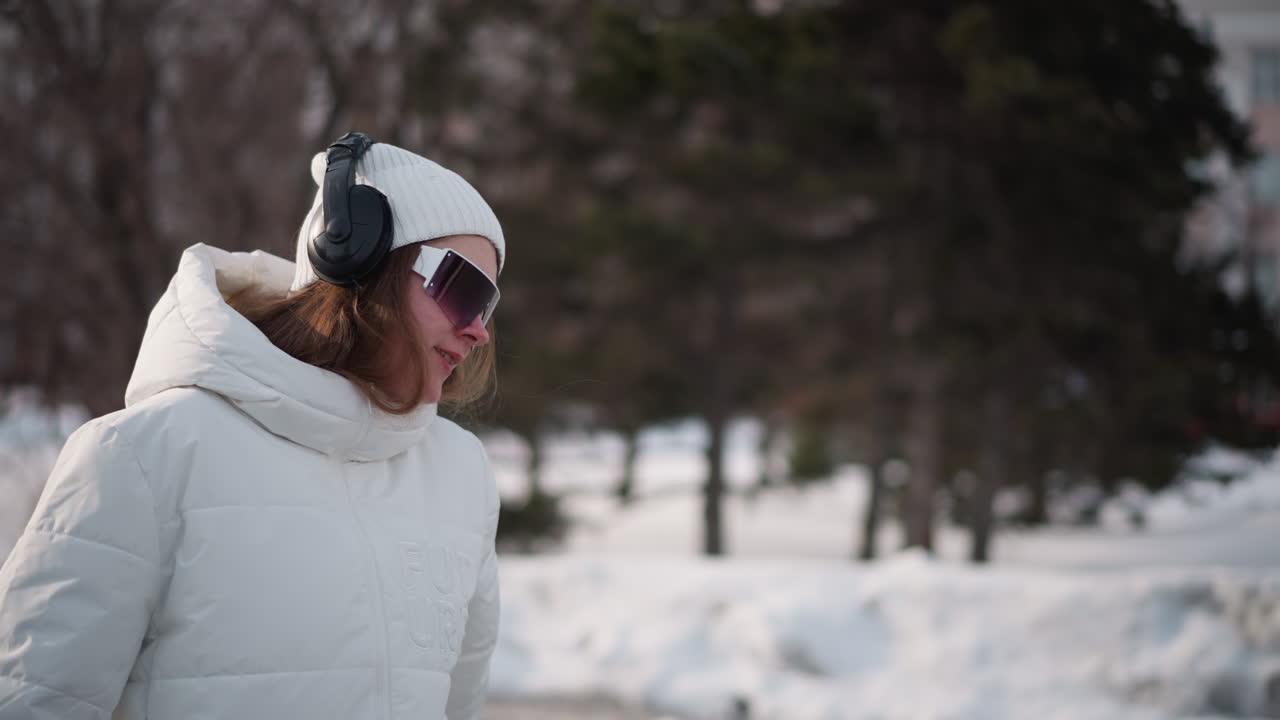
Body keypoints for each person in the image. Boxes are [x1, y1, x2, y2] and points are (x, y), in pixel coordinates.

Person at [0, 133, 504, 720]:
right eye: (461, 288)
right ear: (355, 255)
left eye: (487, 303)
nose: (478, 330)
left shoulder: (460, 474)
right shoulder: (143, 456)